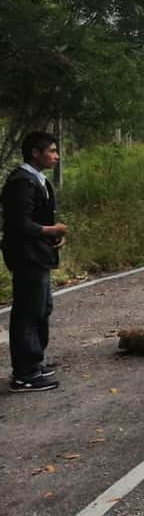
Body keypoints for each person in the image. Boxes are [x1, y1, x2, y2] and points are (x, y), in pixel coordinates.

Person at [2, 132, 67, 393]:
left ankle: (35, 361)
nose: (56, 156)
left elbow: (38, 219)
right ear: (35, 153)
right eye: (51, 151)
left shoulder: (37, 181)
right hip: (26, 256)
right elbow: (20, 223)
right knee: (28, 312)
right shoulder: (21, 182)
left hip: (38, 254)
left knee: (41, 308)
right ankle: (24, 373)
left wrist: (53, 238)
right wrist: (50, 231)